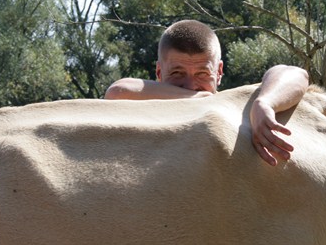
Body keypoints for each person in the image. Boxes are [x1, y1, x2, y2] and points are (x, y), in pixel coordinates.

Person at [105, 20, 310, 166]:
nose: (190, 84)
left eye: (202, 73)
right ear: (159, 72)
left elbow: (295, 73)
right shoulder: (150, 102)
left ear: (219, 72)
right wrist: (198, 99)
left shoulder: (231, 104)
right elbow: (117, 91)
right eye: (177, 73)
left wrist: (265, 103)